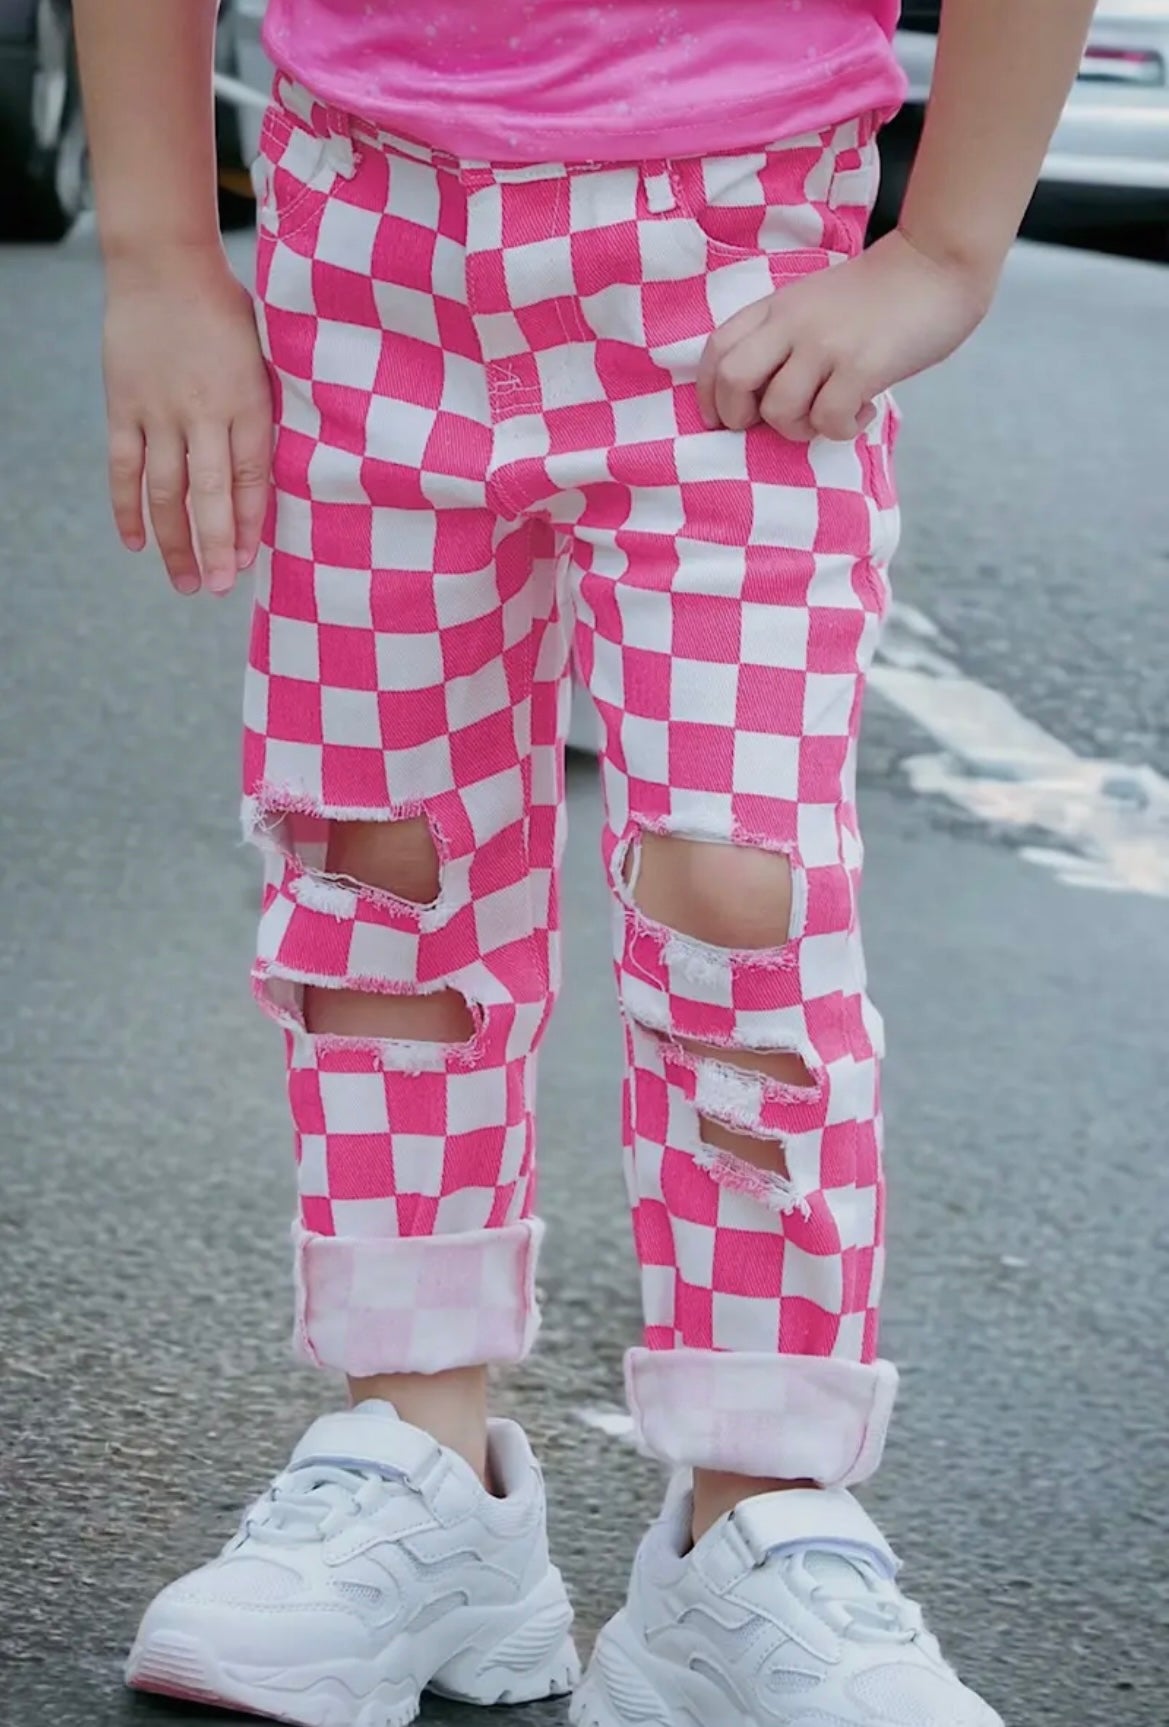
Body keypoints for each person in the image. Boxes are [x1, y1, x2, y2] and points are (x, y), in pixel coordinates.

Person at [75, 2, 1095, 1723]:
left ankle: (756, 1515)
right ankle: (420, 1459)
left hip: (744, 261)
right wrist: (166, 250)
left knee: (736, 893)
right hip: (361, 230)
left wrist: (947, 243)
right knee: (377, 862)